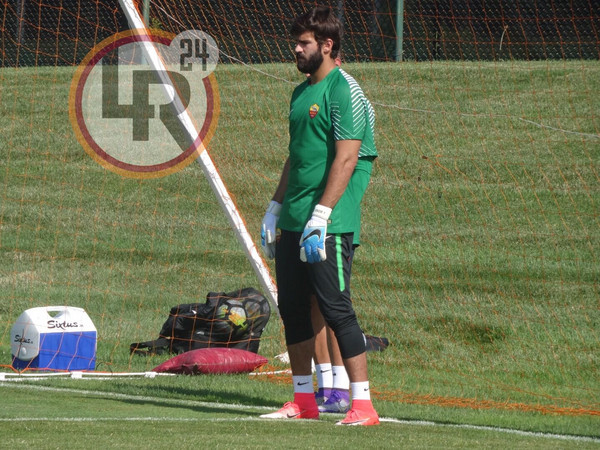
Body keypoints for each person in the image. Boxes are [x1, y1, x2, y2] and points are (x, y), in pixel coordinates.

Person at [259, 6, 379, 426]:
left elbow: (347, 158)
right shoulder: (298, 94)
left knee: (336, 309)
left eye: (304, 43)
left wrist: (322, 214)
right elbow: (295, 157)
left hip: (330, 222)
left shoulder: (344, 90)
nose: (296, 49)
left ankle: (363, 405)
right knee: (292, 310)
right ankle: (303, 400)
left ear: (327, 45)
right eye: (295, 42)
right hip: (293, 219)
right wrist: (275, 207)